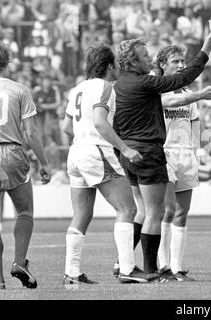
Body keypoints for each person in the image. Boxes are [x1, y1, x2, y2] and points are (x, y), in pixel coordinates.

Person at [112, 24, 211, 282]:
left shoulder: (120, 85)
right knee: (156, 212)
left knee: (146, 212)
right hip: (151, 152)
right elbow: (179, 84)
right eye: (145, 56)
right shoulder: (147, 84)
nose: (149, 59)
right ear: (134, 61)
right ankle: (152, 270)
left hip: (131, 153)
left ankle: (128, 265)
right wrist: (205, 51)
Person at [61, 44, 148, 285]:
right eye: (116, 65)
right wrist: (126, 149)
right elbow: (100, 122)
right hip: (95, 150)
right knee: (128, 209)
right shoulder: (105, 87)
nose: (119, 68)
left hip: (76, 152)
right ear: (109, 66)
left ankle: (72, 272)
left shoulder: (77, 88)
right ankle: (127, 269)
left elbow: (66, 127)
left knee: (81, 215)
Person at [155, 45, 211, 281]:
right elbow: (169, 104)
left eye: (182, 60)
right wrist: (198, 94)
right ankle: (163, 266)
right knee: (167, 210)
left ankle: (177, 268)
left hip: (186, 154)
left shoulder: (189, 95)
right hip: (164, 153)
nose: (181, 64)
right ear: (162, 64)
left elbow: (199, 130)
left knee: (182, 212)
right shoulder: (156, 90)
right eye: (175, 61)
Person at [0, 42, 51, 290]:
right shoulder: (19, 90)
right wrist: (44, 162)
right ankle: (19, 262)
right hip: (12, 153)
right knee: (25, 210)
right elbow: (30, 134)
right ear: (8, 61)